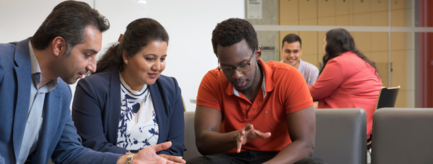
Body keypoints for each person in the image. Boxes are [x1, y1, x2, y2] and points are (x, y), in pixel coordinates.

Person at [0, 1, 184, 164]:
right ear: (59, 46)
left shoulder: (61, 92)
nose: (94, 66)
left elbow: (70, 153)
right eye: (87, 55)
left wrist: (129, 160)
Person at [188, 18, 324, 164]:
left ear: (258, 53)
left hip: (279, 158)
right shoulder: (213, 80)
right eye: (227, 67)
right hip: (232, 157)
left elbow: (305, 144)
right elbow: (203, 142)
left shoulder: (289, 77)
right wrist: (236, 136)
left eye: (243, 65)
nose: (237, 75)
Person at [72, 18, 185, 157]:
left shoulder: (170, 88)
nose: (158, 67)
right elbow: (94, 145)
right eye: (150, 58)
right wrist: (138, 160)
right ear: (126, 56)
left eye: (162, 59)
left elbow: (176, 146)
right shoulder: (91, 88)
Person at [309, 28, 382, 140]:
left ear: (331, 45)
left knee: (302, 108)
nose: (323, 47)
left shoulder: (338, 63)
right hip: (367, 121)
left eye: (324, 43)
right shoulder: (361, 61)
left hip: (353, 120)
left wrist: (293, 89)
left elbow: (315, 93)